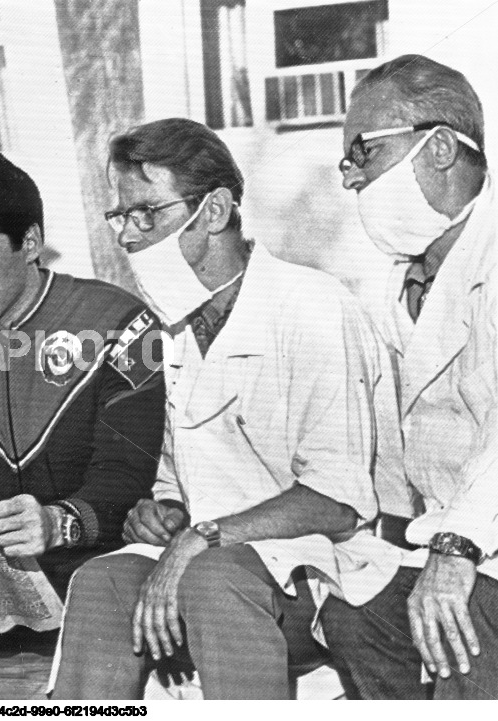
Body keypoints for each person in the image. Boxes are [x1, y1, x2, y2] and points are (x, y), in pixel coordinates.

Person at [49, 118, 409, 699]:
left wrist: (202, 538)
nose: (128, 236)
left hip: (327, 571)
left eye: (148, 213)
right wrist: (160, 510)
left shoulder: (310, 306)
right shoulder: (171, 332)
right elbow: (175, 480)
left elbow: (340, 501)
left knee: (215, 579)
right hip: (212, 565)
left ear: (214, 211)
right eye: (122, 216)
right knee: (104, 581)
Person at [0, 141, 167, 697]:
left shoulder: (119, 321)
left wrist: (59, 523)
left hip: (88, 572)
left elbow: (128, 479)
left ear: (31, 243)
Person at [321, 54, 498, 700]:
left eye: (362, 153)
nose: (349, 179)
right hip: (455, 544)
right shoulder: (396, 285)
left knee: (459, 613)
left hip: (477, 545)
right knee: (350, 610)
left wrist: (455, 547)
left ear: (441, 147)